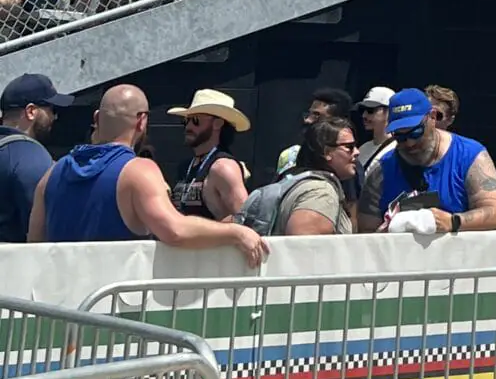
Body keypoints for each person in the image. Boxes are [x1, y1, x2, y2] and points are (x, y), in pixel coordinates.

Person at [29, 85, 267, 264]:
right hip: (115, 313)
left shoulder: (51, 173)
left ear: (97, 119)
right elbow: (174, 230)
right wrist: (236, 232)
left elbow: (32, 246)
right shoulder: (139, 171)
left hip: (57, 312)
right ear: (142, 121)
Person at [357, 86, 496, 234]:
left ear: (432, 117)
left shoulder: (470, 156)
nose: (410, 143)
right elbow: (366, 232)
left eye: (416, 133)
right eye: (400, 137)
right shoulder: (381, 172)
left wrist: (453, 222)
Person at [246, 117, 359, 235]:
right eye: (349, 147)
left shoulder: (295, 181)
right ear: (327, 152)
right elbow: (305, 247)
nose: (357, 152)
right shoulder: (320, 192)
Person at [0, 73, 73, 245]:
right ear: (31, 111)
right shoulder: (31, 157)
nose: (54, 117)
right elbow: (45, 228)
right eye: (51, 110)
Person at [168, 89, 249, 220]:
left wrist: (207, 233)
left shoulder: (223, 167)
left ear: (217, 123)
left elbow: (244, 218)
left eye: (195, 120)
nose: (188, 126)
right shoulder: (185, 167)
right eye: (186, 121)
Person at [355, 86, 394, 176]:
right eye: (362, 110)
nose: (364, 115)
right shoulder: (363, 148)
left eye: (370, 110)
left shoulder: (396, 149)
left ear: (389, 112)